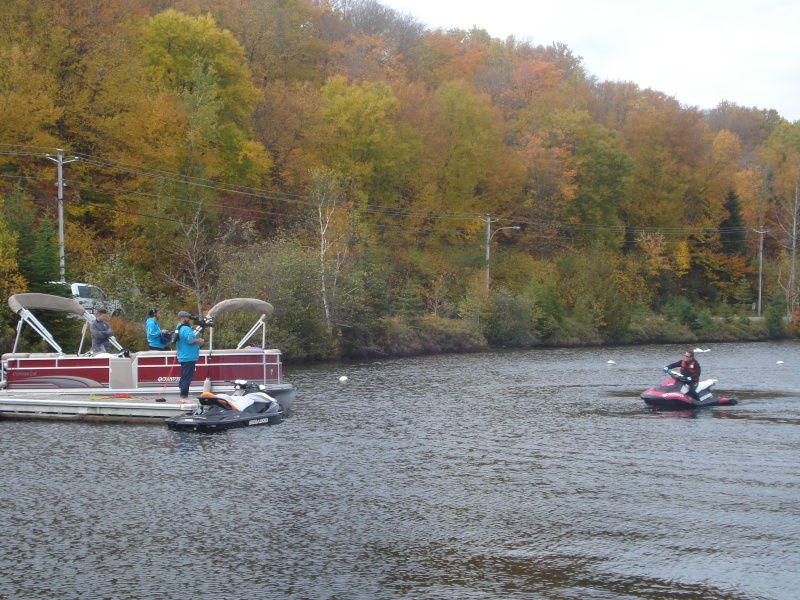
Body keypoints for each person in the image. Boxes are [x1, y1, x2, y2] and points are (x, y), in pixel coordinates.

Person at [175, 310, 204, 401]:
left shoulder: (178, 327)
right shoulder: (186, 329)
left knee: (184, 376)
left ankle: (182, 394)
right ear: (183, 318)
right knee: (187, 378)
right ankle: (184, 397)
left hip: (183, 356)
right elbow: (190, 340)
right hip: (188, 357)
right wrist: (199, 341)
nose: (189, 319)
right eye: (187, 318)